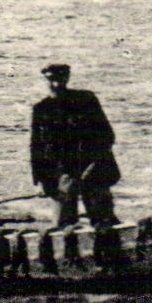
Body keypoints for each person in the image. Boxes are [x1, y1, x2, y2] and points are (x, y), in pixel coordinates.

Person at [30, 63, 121, 230]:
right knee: (63, 225)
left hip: (94, 167)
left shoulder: (86, 100)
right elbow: (37, 148)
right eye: (51, 79)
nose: (56, 84)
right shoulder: (41, 109)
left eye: (61, 79)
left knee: (104, 220)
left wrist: (93, 166)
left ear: (67, 78)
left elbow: (107, 136)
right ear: (45, 80)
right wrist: (42, 179)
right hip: (64, 172)